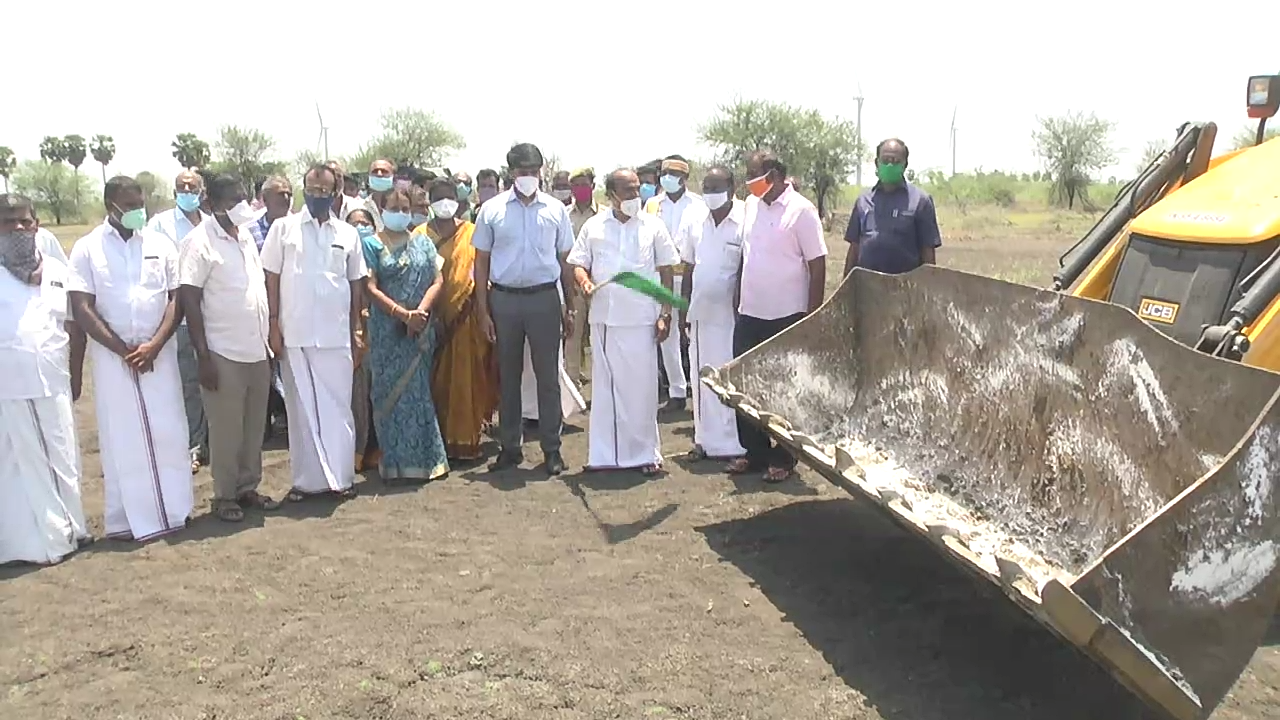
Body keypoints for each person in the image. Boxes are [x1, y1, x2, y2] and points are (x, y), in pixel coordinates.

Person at [68, 176, 193, 540]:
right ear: (111, 206)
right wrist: (124, 350)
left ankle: (175, 511)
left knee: (169, 430)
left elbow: (176, 298)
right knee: (122, 435)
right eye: (131, 205)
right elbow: (82, 307)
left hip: (159, 353)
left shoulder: (160, 244)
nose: (138, 212)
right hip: (113, 359)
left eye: (141, 204)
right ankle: (129, 520)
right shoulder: (87, 248)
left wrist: (153, 345)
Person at [260, 164, 367, 502]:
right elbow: (271, 278)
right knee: (301, 409)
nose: (318, 195)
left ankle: (340, 478)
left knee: (338, 408)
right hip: (296, 334)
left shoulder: (347, 234)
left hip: (336, 334)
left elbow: (356, 283)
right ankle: (306, 483)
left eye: (325, 190)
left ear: (337, 193)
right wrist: (274, 324)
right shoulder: (283, 229)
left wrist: (358, 328)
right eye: (312, 187)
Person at [177, 174, 279, 523]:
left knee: (253, 427)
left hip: (256, 348)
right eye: (235, 198)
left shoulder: (246, 236)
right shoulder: (199, 241)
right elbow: (189, 298)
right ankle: (224, 495)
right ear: (216, 205)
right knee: (226, 429)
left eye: (243, 196)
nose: (243, 203)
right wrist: (203, 355)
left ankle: (247, 486)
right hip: (222, 351)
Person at [472, 142, 574, 475]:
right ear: (511, 173)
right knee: (509, 376)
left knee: (548, 378)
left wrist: (569, 306)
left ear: (540, 171)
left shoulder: (556, 210)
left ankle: (552, 449)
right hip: (504, 300)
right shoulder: (492, 210)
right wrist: (483, 311)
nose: (528, 176)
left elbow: (565, 260)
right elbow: (481, 262)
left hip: (545, 298)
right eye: (522, 171)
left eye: (533, 171)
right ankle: (510, 447)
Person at [568, 168, 679, 476]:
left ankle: (645, 454)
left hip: (643, 320)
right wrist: (585, 282)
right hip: (605, 320)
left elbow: (667, 272)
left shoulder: (653, 226)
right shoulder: (593, 226)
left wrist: (665, 314)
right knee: (606, 391)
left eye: (637, 189)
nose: (635, 195)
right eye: (628, 191)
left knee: (642, 390)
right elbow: (578, 263)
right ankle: (604, 456)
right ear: (612, 195)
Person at [0, 194, 90, 565]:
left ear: (37, 224)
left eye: (25, 221)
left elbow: (73, 322)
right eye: (9, 222)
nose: (19, 228)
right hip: (12, 384)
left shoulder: (55, 269)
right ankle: (51, 540)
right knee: (25, 461)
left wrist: (76, 371)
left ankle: (75, 527)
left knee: (64, 456)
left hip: (54, 377)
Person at [729, 151, 828, 483]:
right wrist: (738, 295)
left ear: (772, 175)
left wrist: (811, 318)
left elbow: (817, 265)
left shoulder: (801, 211)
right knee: (743, 383)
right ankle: (753, 451)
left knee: (786, 390)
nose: (748, 181)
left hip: (788, 315)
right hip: (751, 312)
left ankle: (784, 456)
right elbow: (748, 254)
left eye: (753, 174)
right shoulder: (751, 207)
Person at [363, 188, 450, 482]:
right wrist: (402, 315)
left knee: (419, 395)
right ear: (382, 209)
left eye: (405, 207)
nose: (400, 212)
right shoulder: (372, 244)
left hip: (419, 331)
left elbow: (439, 280)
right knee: (388, 395)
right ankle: (395, 463)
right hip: (388, 332)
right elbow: (370, 288)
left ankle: (427, 462)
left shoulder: (423, 243)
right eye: (394, 207)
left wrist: (420, 313)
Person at [415, 179, 499, 461]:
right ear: (429, 201)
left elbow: (483, 273)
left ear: (459, 200)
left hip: (466, 320)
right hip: (427, 321)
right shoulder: (418, 234)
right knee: (433, 384)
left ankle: (465, 439)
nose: (444, 202)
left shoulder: (473, 234)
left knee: (468, 378)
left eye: (449, 196)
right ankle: (435, 442)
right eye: (438, 197)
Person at [677, 167, 747, 461]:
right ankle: (703, 441)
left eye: (717, 186)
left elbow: (748, 263)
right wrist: (683, 310)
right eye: (706, 187)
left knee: (732, 379)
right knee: (703, 378)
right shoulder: (694, 218)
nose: (711, 193)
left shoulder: (746, 218)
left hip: (734, 317)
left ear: (732, 188)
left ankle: (736, 445)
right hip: (702, 316)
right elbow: (689, 267)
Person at [146, 168, 210, 473]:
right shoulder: (160, 225)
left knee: (211, 382)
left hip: (212, 318)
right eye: (182, 187)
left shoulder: (210, 225)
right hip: (180, 320)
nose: (187, 191)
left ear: (202, 192)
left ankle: (209, 440)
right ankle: (193, 445)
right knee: (187, 383)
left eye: (192, 187)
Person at [644, 155, 702, 412]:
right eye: (664, 173)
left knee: (694, 333)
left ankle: (700, 389)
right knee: (667, 334)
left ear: (685, 178)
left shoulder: (699, 205)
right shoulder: (652, 205)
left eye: (673, 174)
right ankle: (677, 391)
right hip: (662, 278)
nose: (667, 178)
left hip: (692, 277)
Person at [842, 138, 942, 277]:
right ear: (877, 163)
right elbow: (854, 248)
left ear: (905, 165)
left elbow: (928, 253)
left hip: (905, 288)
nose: (890, 165)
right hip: (867, 287)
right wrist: (846, 286)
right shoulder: (863, 201)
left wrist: (928, 289)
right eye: (885, 160)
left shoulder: (920, 201)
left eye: (895, 161)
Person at [248, 174, 293, 438]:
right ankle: (263, 425)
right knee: (263, 367)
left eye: (288, 193)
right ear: (264, 200)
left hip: (293, 308)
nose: (285, 199)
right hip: (261, 310)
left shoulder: (300, 227)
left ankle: (290, 419)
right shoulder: (249, 231)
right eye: (279, 194)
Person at [345, 207, 378, 473]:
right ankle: (355, 452)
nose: (360, 227)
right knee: (355, 397)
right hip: (348, 332)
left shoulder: (378, 253)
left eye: (365, 223)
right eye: (354, 224)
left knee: (374, 395)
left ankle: (374, 450)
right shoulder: (339, 256)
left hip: (376, 331)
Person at [566, 167, 599, 384]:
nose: (580, 189)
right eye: (575, 185)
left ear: (593, 186)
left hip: (599, 286)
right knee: (572, 338)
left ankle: (602, 387)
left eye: (584, 184)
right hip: (573, 286)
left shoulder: (605, 215)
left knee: (599, 338)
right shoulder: (563, 215)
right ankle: (572, 389)